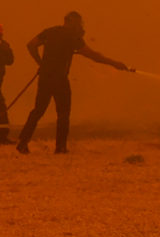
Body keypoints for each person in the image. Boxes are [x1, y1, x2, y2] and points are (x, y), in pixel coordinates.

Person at [17, 11, 132, 155]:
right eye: (78, 23)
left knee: (38, 110)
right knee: (63, 113)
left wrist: (40, 63)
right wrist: (115, 63)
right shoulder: (72, 37)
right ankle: (60, 147)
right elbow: (93, 56)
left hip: (45, 77)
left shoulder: (50, 32)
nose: (79, 26)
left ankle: (22, 142)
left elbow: (31, 45)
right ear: (70, 22)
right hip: (60, 79)